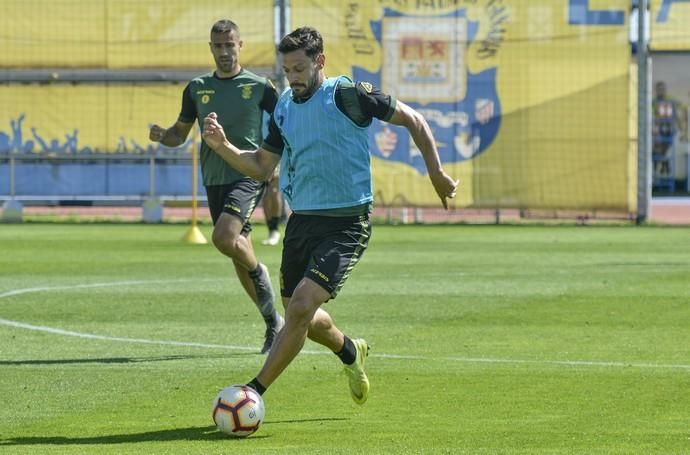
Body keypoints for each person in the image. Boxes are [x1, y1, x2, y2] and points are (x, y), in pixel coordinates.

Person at [202, 26, 458, 404]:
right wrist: (223, 146)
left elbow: (414, 121)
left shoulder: (348, 95)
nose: (293, 78)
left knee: (302, 306)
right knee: (297, 316)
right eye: (287, 70)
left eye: (299, 69)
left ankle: (253, 392)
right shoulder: (285, 107)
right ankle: (350, 351)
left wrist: (435, 172)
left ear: (319, 61)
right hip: (302, 222)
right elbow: (260, 166)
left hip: (347, 224)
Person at [149, 19, 284, 354]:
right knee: (237, 253)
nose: (224, 51)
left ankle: (260, 271)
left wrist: (276, 161)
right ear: (211, 48)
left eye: (230, 44)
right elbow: (179, 134)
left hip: (247, 173)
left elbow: (286, 122)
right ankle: (273, 323)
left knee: (225, 238)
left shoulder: (259, 86)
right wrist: (163, 136)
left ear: (241, 45)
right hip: (214, 179)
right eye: (218, 45)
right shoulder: (196, 88)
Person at [652, 81, 684, 177]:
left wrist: (682, 130)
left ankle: (664, 168)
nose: (660, 91)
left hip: (669, 129)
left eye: (662, 89)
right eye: (658, 89)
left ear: (665, 90)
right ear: (656, 90)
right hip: (659, 130)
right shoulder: (654, 102)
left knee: (663, 151)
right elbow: (653, 117)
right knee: (656, 152)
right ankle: (663, 168)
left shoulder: (670, 99)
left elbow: (679, 111)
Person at [261, 167, 283, 246]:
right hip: (260, 160)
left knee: (274, 191)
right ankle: (271, 229)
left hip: (276, 160)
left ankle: (274, 230)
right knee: (265, 197)